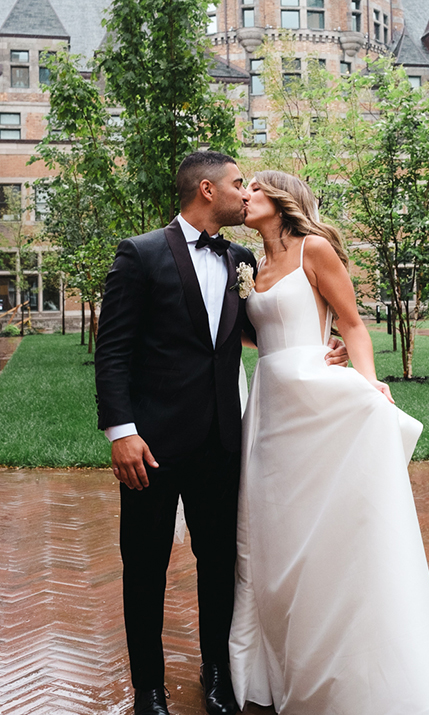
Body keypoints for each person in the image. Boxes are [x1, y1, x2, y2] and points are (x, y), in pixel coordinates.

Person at [94, 150, 349, 715]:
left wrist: (320, 349)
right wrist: (121, 431)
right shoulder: (139, 254)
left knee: (220, 566)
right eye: (239, 184)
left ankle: (217, 677)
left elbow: (254, 330)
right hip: (150, 447)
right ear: (207, 191)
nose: (246, 191)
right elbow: (112, 351)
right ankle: (149, 690)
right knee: (144, 566)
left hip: (223, 445)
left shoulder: (240, 258)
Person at [229, 171, 429, 715]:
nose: (245, 195)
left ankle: (349, 672)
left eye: (255, 189)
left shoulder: (315, 248)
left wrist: (368, 381)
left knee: (328, 527)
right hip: (269, 405)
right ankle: (280, 660)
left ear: (281, 201)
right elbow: (251, 333)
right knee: (273, 529)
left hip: (318, 400)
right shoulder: (249, 266)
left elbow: (353, 324)